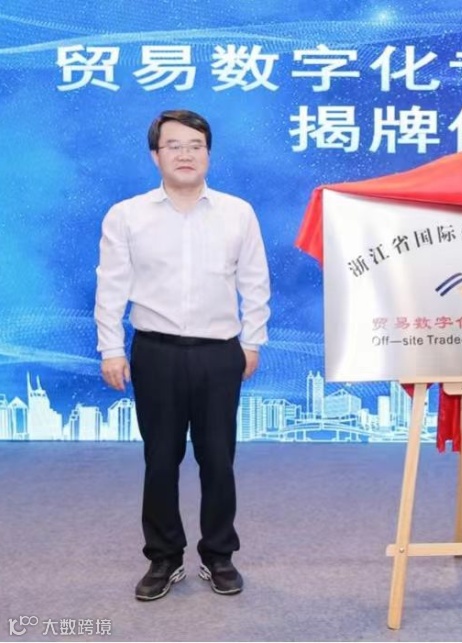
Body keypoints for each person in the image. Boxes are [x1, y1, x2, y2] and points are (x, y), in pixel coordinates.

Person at [95, 109, 271, 601]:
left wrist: (251, 341)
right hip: (156, 352)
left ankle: (219, 556)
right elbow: (111, 287)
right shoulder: (127, 215)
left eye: (196, 145)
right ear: (156, 156)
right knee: (160, 460)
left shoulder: (238, 212)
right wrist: (111, 348)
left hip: (219, 353)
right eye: (174, 146)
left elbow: (255, 281)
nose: (186, 154)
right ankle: (164, 557)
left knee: (218, 459)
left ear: (208, 154)